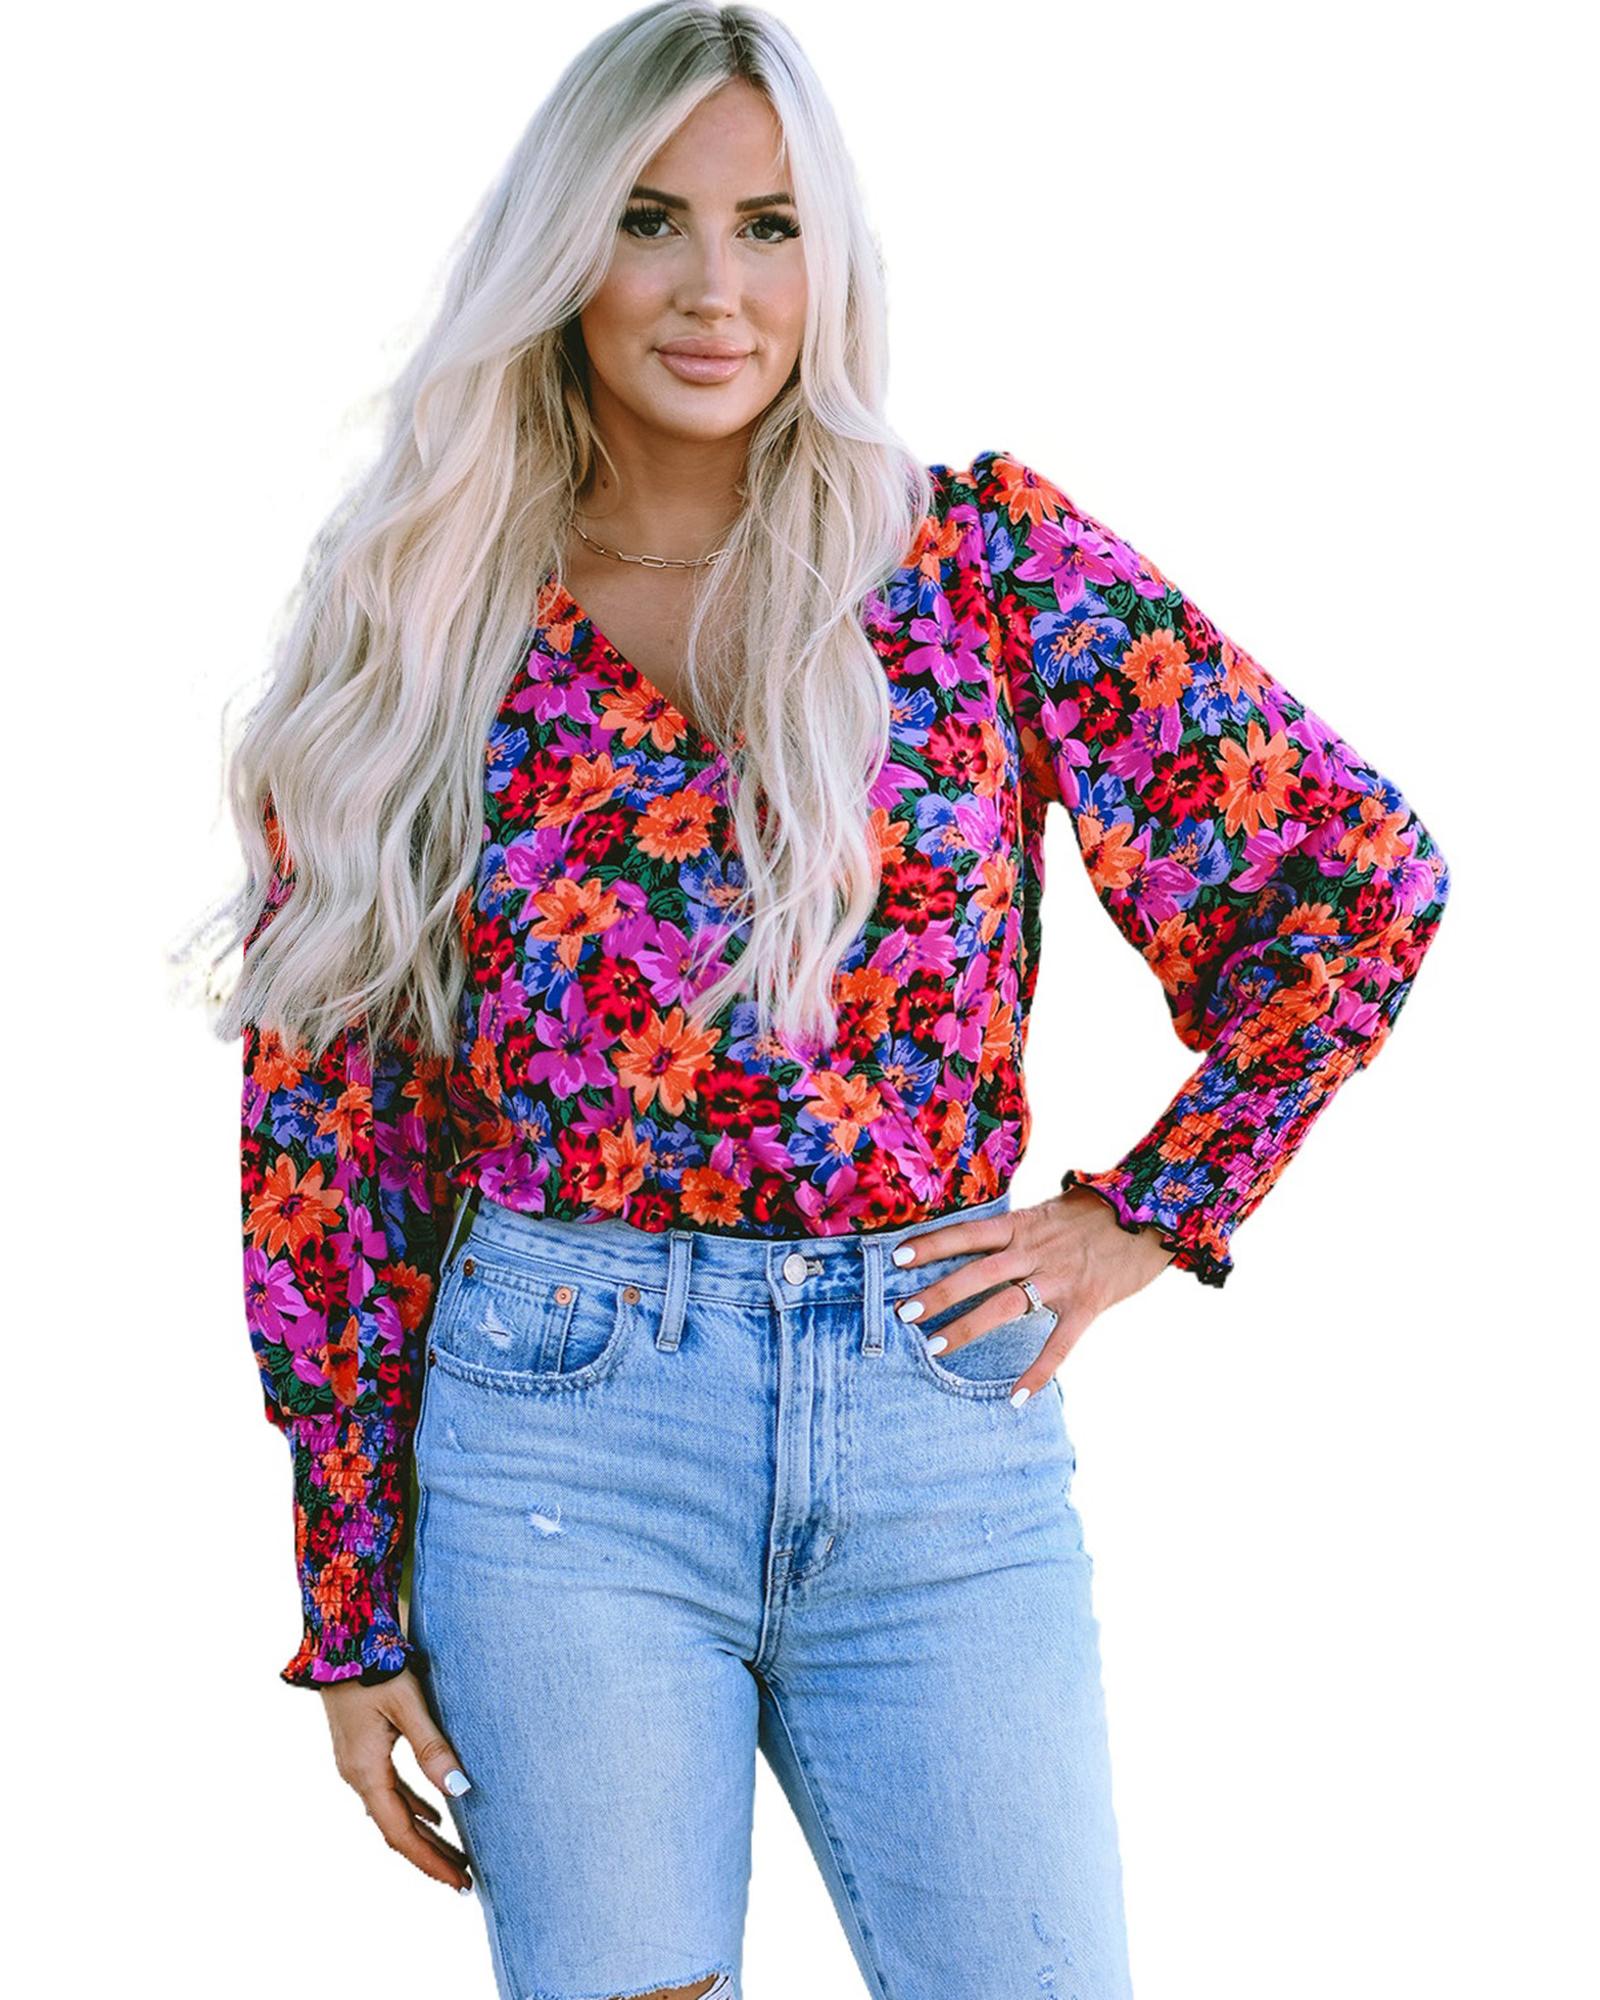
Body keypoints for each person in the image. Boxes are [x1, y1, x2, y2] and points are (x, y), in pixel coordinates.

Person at [213, 7, 1451, 1998]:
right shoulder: (429, 614)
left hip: (934, 1438)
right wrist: (350, 1602)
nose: (715, 288)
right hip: (562, 1446)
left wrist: (1145, 1215)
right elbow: (330, 1136)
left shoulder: (980, 563)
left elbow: (1354, 877)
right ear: (562, 254)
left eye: (771, 225)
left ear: (833, 258)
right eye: (651, 220)